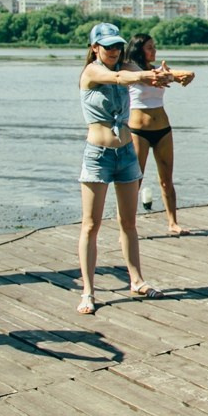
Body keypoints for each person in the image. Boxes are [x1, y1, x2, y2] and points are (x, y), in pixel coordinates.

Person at [77, 22, 170, 314]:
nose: (114, 51)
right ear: (95, 48)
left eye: (118, 46)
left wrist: (172, 76)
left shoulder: (126, 65)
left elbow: (142, 73)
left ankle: (137, 280)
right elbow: (119, 78)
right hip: (99, 155)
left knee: (129, 222)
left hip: (127, 154)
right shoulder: (92, 71)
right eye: (108, 46)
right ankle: (88, 292)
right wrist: (145, 75)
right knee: (91, 224)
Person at [124, 34, 195, 235]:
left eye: (154, 47)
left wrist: (185, 76)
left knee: (166, 179)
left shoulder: (159, 69)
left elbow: (183, 75)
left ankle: (173, 223)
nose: (154, 50)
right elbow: (150, 78)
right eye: (149, 47)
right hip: (138, 131)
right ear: (139, 49)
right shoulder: (129, 69)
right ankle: (127, 227)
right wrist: (169, 76)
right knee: (135, 181)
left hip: (163, 129)